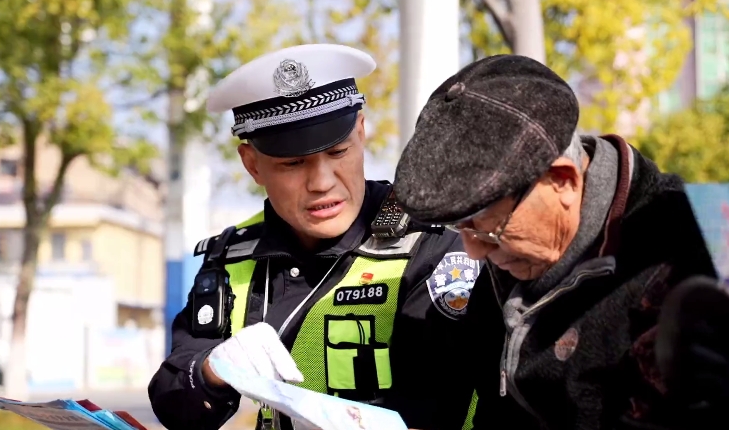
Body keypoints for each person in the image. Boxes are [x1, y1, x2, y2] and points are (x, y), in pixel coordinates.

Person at [148, 44, 480, 430]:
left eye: (338, 152)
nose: (322, 183)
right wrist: (211, 371)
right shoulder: (233, 256)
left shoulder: (432, 248)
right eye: (293, 163)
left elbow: (441, 408)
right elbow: (174, 405)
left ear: (361, 132)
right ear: (252, 164)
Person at [391, 54, 721, 429]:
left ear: (563, 181)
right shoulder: (506, 264)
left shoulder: (703, 254)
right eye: (459, 228)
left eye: (488, 229)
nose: (474, 251)